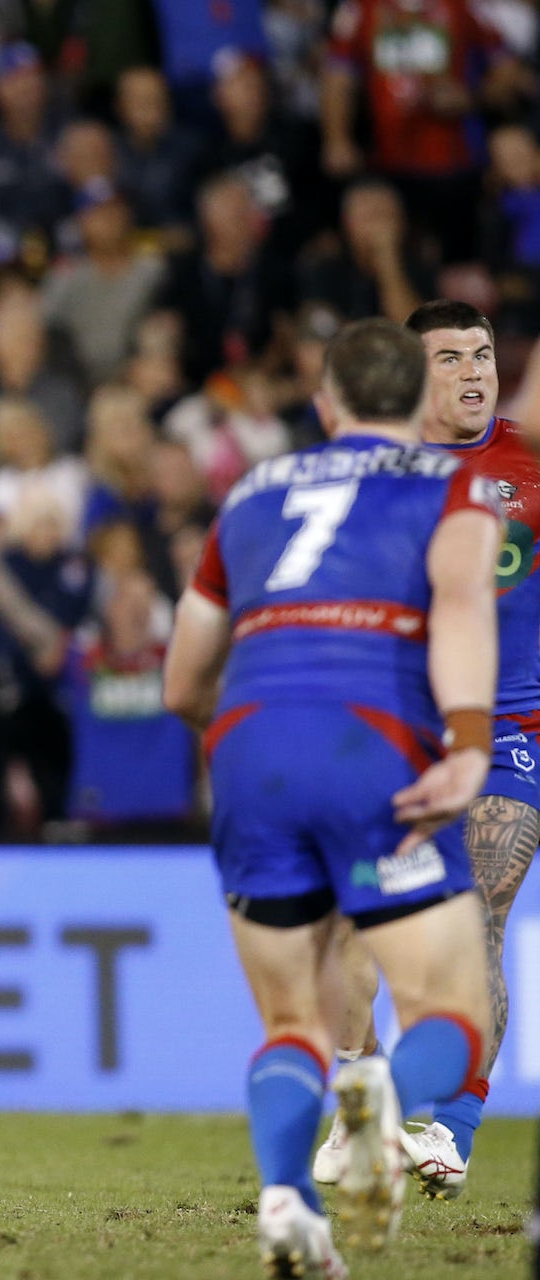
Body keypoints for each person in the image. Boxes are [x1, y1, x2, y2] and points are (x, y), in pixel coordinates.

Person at [162, 318, 499, 1271]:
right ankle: (387, 1098)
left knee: (291, 1022)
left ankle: (286, 1203)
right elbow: (465, 608)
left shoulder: (253, 492)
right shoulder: (455, 485)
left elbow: (183, 681)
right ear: (418, 399)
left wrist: (254, 748)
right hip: (373, 743)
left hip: (250, 745)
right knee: (450, 1007)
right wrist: (468, 743)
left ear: (326, 405)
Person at [314, 301, 539, 1198]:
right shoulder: (373, 473)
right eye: (450, 358)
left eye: (482, 353)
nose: (474, 371)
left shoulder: (528, 466)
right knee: (354, 932)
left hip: (509, 726)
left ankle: (451, 1127)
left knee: (479, 912)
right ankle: (361, 1108)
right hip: (394, 727)